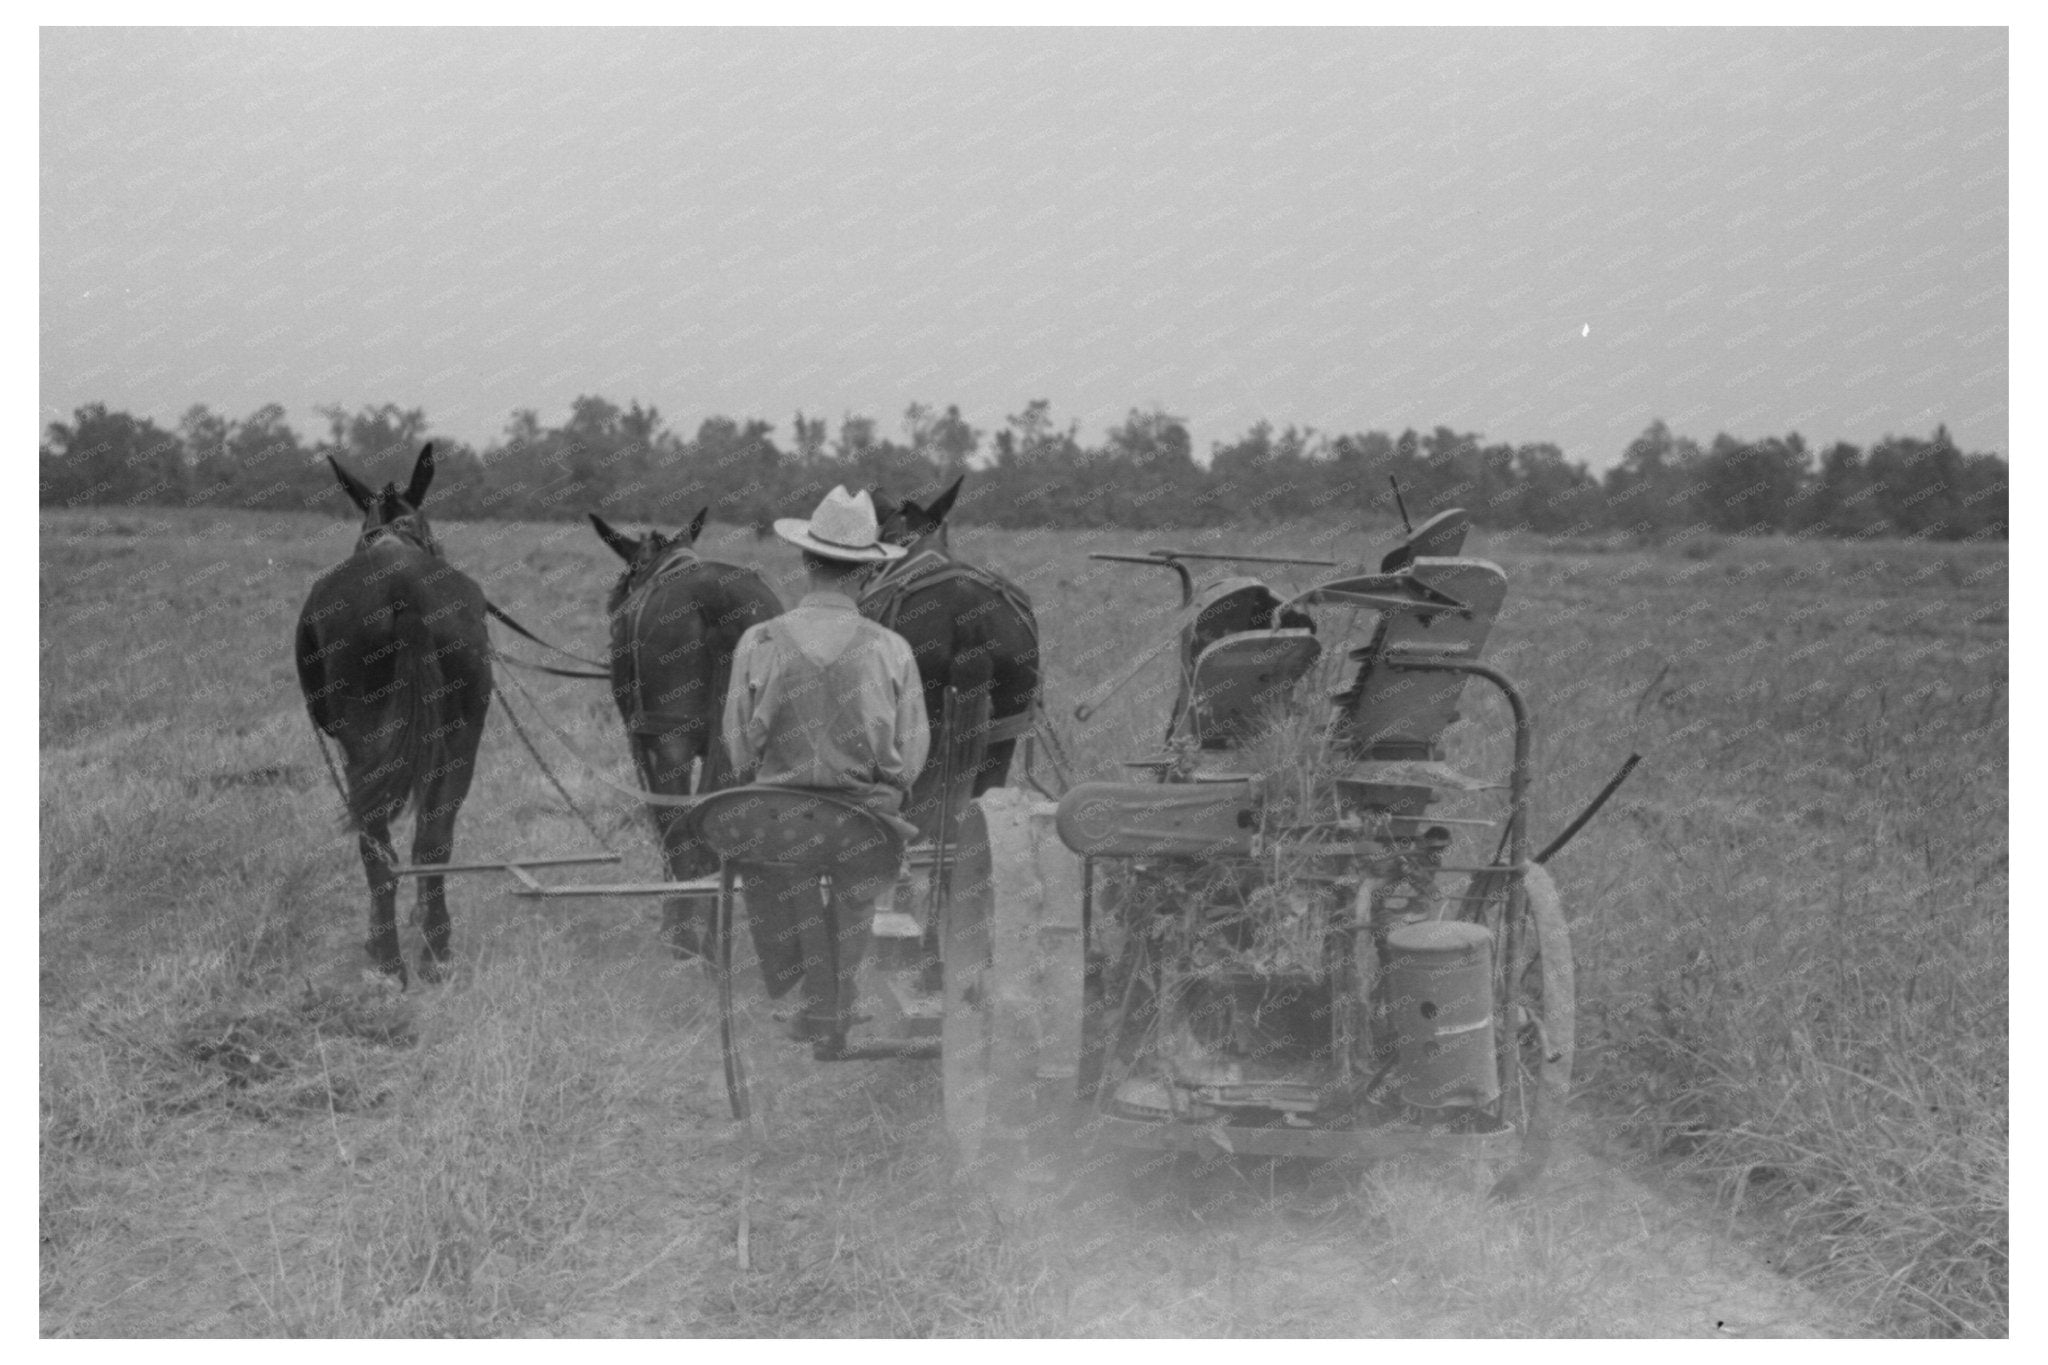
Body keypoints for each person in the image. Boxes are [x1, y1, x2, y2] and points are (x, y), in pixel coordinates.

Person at [722, 486, 930, 1051]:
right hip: (862, 818)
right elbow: (909, 756)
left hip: (780, 817)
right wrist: (884, 783)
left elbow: (739, 748)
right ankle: (835, 1004)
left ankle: (810, 1001)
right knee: (857, 890)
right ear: (864, 575)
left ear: (805, 560)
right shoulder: (891, 648)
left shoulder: (759, 641)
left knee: (783, 871)